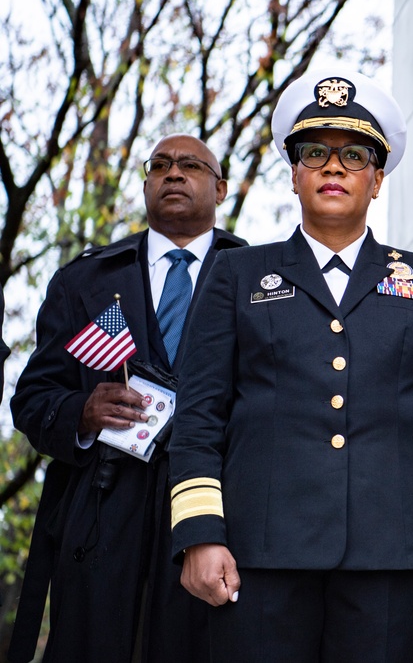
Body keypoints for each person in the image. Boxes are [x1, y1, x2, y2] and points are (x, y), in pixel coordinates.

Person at [168, 68, 413, 663]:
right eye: (316, 153)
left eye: (355, 156)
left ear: (377, 179)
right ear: (293, 175)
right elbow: (199, 417)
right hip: (257, 558)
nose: (334, 167)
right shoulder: (235, 276)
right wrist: (200, 533)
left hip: (388, 558)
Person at [7, 134, 246, 663]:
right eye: (159, 165)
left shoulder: (259, 279)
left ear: (221, 187)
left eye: (190, 165)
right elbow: (32, 398)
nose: (174, 173)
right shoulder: (85, 280)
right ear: (146, 184)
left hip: (215, 512)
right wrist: (82, 413)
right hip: (102, 507)